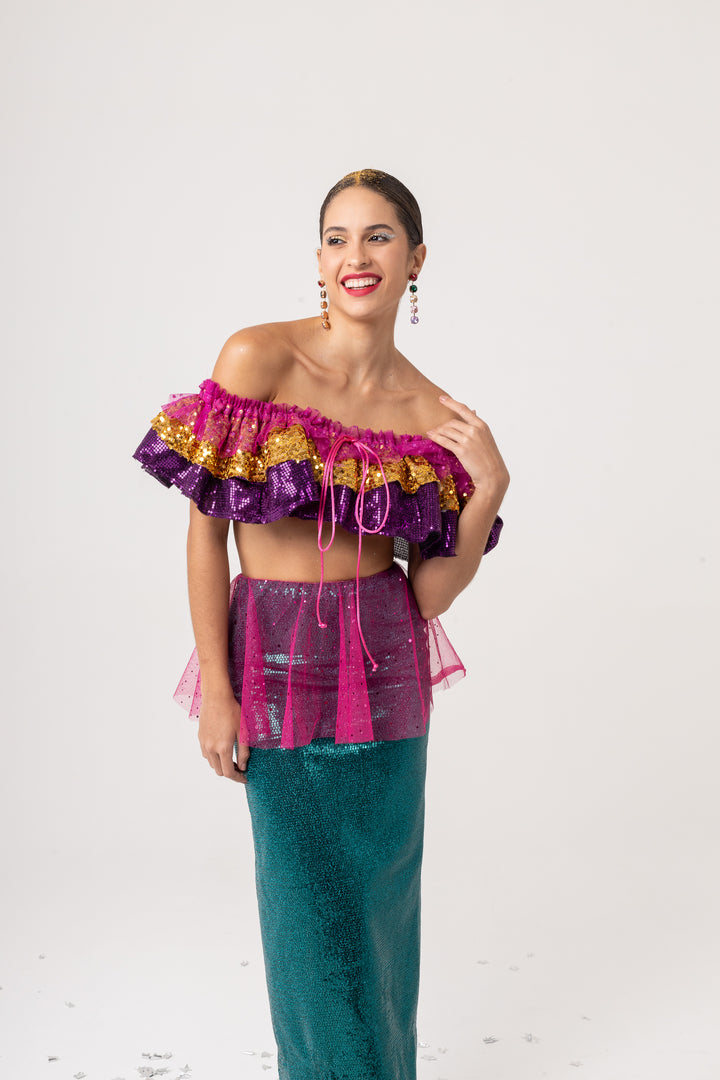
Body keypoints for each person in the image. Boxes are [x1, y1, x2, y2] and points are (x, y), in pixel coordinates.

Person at [133, 168, 509, 1080]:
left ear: (416, 260)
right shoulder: (258, 358)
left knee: (382, 913)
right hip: (274, 659)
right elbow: (206, 534)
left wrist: (490, 487)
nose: (356, 256)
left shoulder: (433, 415)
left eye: (378, 236)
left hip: (384, 668)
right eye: (338, 238)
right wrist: (217, 691)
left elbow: (428, 594)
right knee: (307, 922)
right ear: (317, 259)